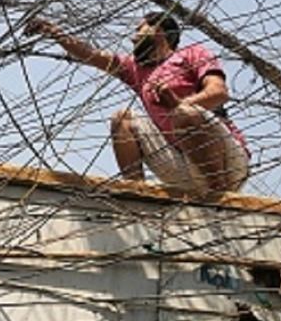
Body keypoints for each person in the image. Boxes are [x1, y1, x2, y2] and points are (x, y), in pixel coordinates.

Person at [25, 12, 249, 196]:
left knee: (185, 112)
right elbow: (91, 55)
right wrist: (52, 31)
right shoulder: (135, 69)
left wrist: (178, 103)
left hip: (226, 162)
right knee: (121, 119)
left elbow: (218, 92)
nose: (133, 37)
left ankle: (220, 198)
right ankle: (137, 196)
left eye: (139, 29)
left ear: (158, 30)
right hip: (184, 167)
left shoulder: (192, 53)